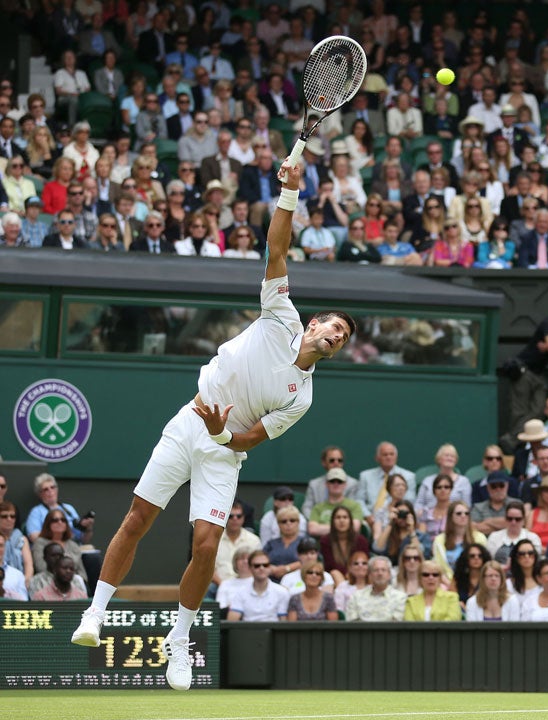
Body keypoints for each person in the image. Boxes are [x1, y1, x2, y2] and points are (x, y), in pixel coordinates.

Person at [71, 158, 356, 690]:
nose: (334, 336)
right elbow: (277, 249)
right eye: (332, 326)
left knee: (205, 545)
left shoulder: (303, 397)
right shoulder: (281, 315)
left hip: (224, 449)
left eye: (342, 338)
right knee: (137, 518)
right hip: (187, 424)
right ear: (313, 323)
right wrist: (288, 195)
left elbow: (252, 436)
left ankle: (178, 640)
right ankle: (95, 613)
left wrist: (224, 433)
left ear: (336, 351)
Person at [499, 299, 548, 455]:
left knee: (539, 410)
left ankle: (511, 439)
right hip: (524, 371)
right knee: (519, 411)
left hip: (540, 373)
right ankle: (514, 444)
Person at [26, 473, 92, 544]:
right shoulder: (36, 512)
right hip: (50, 550)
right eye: (46, 489)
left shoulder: (69, 508)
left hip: (73, 548)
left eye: (52, 487)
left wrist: (88, 528)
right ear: (40, 494)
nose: (50, 491)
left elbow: (83, 540)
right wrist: (57, 534)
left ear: (57, 489)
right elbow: (34, 537)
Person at [226, 551, 290, 622]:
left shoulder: (282, 592)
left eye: (265, 565)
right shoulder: (240, 593)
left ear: (269, 567)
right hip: (247, 631)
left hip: (274, 631)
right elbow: (231, 622)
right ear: (250, 568)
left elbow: (284, 623)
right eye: (257, 566)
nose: (261, 568)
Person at [30, 509, 87, 583]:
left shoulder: (73, 545)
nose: (60, 522)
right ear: (48, 524)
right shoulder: (40, 543)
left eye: (63, 520)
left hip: (73, 583)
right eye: (55, 520)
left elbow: (81, 572)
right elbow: (41, 567)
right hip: (47, 582)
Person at [346, 556, 407, 621]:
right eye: (376, 570)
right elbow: (352, 624)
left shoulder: (400, 598)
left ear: (389, 575)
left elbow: (397, 624)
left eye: (383, 570)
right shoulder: (356, 597)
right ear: (370, 575)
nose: (380, 573)